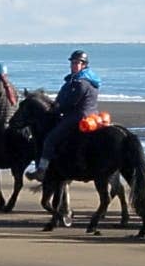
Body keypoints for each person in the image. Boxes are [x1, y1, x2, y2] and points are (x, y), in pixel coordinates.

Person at [28, 50, 100, 181]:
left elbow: (69, 103)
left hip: (78, 116)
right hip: (93, 114)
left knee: (50, 139)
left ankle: (42, 170)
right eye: (72, 63)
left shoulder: (80, 83)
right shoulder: (89, 80)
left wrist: (55, 109)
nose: (73, 65)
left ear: (84, 65)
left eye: (77, 63)